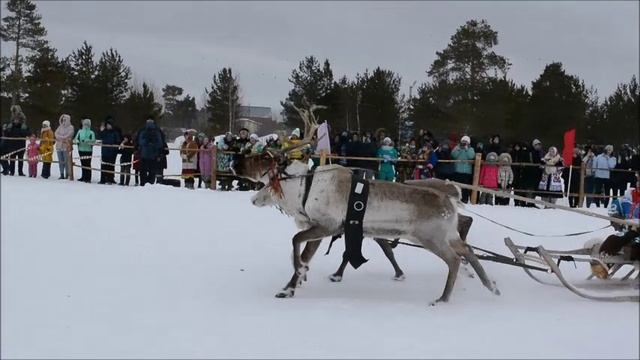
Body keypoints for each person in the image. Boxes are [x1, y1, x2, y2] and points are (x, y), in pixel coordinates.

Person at [136, 118, 163, 186]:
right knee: (152, 172)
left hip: (144, 154)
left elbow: (140, 142)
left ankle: (143, 184)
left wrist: (147, 142)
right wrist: (153, 144)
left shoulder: (143, 131)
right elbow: (160, 143)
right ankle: (150, 184)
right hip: (154, 155)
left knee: (143, 172)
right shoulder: (157, 132)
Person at [4, 106, 30, 176]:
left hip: (21, 146)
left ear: (19, 120)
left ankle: (20, 172)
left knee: (20, 160)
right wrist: (6, 129)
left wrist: (23, 130)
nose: (16, 120)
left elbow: (28, 133)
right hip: (12, 146)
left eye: (17, 119)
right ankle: (12, 172)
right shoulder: (10, 126)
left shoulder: (23, 126)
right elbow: (6, 134)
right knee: (12, 159)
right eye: (15, 119)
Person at [97, 117, 121, 184]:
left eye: (109, 125)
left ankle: (110, 179)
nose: (108, 126)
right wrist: (101, 130)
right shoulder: (104, 132)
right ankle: (103, 179)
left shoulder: (115, 133)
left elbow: (118, 141)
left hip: (112, 152)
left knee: (111, 166)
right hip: (104, 151)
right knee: (103, 165)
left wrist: (115, 148)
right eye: (107, 125)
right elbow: (100, 136)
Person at [451, 135, 475, 203]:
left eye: (466, 142)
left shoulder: (470, 149)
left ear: (468, 143)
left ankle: (465, 199)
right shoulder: (457, 147)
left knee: (465, 187)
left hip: (466, 172)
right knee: (457, 186)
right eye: (463, 141)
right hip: (457, 170)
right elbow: (453, 155)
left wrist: (466, 149)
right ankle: (456, 198)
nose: (464, 143)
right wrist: (459, 149)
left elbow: (471, 156)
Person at [74, 118, 96, 183]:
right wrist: (77, 141)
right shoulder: (80, 131)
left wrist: (87, 141)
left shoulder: (91, 132)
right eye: (85, 124)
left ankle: (88, 178)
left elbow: (93, 141)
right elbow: (75, 139)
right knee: (82, 163)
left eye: (87, 124)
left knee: (88, 164)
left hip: (88, 150)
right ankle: (83, 176)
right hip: (81, 149)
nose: (86, 125)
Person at [54, 114, 74, 179]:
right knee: (60, 161)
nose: (64, 121)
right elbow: (56, 133)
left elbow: (69, 135)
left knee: (66, 161)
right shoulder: (60, 127)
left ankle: (67, 174)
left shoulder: (71, 127)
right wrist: (62, 138)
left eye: (65, 120)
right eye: (63, 120)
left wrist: (61, 137)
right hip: (59, 146)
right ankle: (61, 174)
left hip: (66, 146)